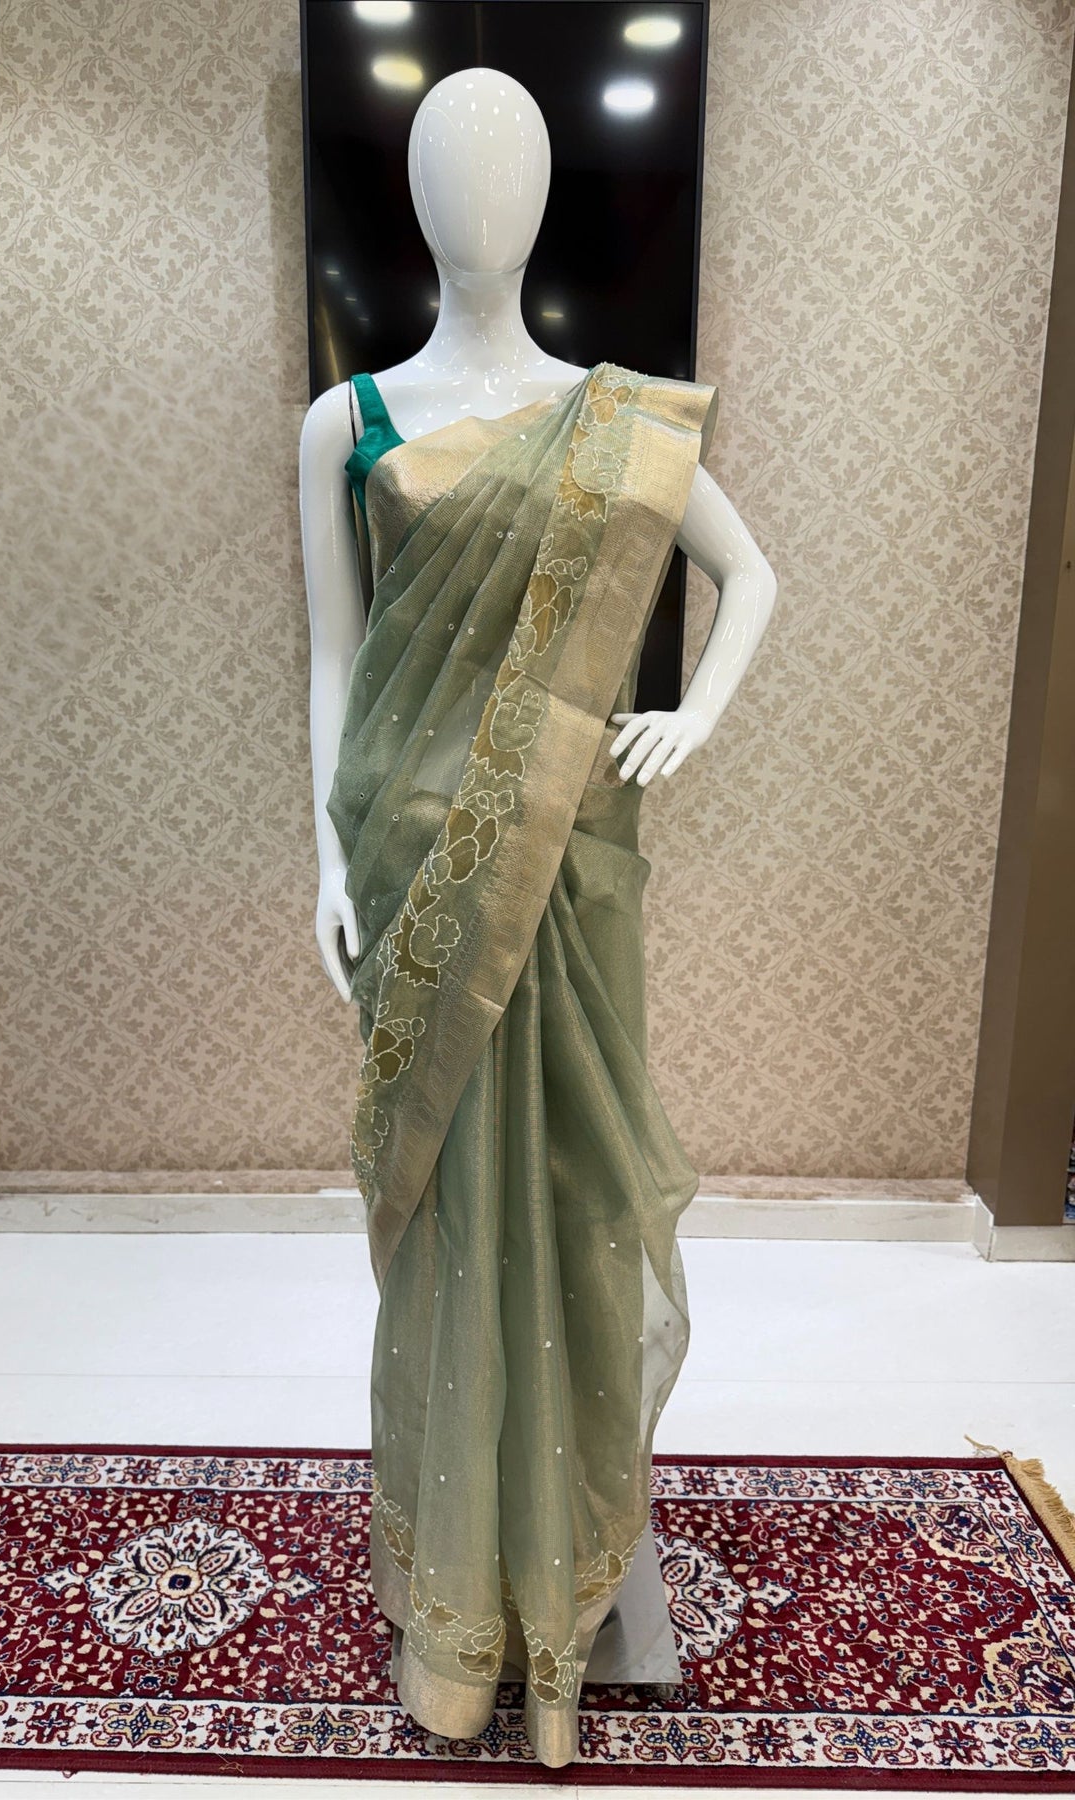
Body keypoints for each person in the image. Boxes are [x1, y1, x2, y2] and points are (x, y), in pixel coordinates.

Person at [298, 67, 776, 1770]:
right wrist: (325, 860)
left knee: (565, 1192)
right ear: (416, 199)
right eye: (452, 168)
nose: (478, 200)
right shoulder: (347, 422)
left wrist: (693, 715)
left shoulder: (613, 418)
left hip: (565, 873)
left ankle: (566, 1572)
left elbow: (754, 576)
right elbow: (337, 662)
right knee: (444, 1218)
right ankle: (455, 1603)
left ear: (548, 195)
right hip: (410, 877)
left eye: (506, 170)